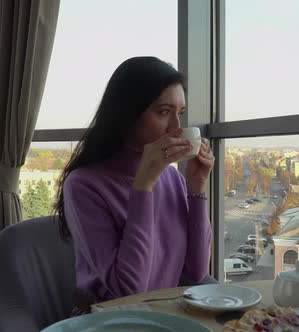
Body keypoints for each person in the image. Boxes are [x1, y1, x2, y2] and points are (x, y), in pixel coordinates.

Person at [54, 56, 214, 309]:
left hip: (163, 313)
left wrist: (197, 187)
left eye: (180, 113)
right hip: (108, 319)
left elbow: (196, 272)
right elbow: (127, 291)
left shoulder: (172, 177)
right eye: (163, 112)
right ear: (128, 113)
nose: (176, 128)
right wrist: (142, 188)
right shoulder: (84, 185)